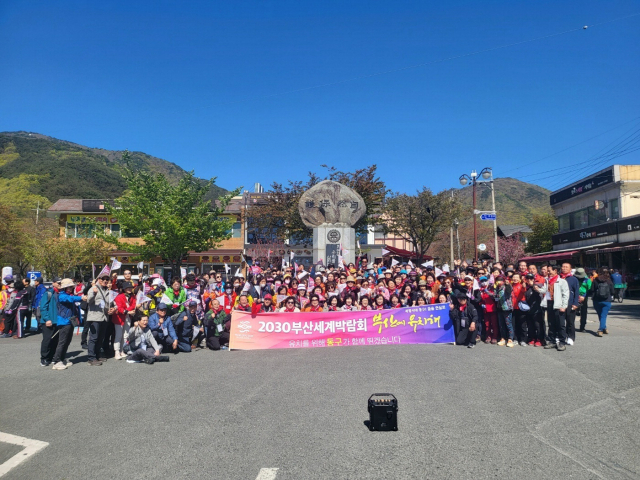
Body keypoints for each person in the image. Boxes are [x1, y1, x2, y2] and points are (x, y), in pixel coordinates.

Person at [51, 279, 86, 370]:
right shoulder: (62, 295)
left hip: (69, 321)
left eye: (71, 287)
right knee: (62, 342)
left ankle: (62, 359)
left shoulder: (68, 295)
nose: (70, 288)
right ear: (64, 288)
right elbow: (70, 299)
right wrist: (81, 297)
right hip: (64, 322)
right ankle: (57, 361)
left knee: (67, 341)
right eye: (68, 287)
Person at [85, 273, 117, 365]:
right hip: (95, 317)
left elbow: (114, 303)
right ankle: (91, 358)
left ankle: (98, 355)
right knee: (93, 338)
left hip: (104, 317)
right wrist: (94, 293)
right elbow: (88, 301)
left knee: (100, 338)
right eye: (103, 279)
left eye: (107, 279)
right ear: (99, 279)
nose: (105, 281)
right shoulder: (93, 288)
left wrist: (114, 309)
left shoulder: (108, 291)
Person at [544, 265, 569, 351]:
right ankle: (552, 341)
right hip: (550, 303)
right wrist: (537, 288)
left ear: (555, 271)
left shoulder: (562, 281)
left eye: (549, 270)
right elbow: (544, 290)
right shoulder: (547, 281)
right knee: (551, 323)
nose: (548, 272)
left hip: (558, 304)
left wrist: (564, 306)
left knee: (560, 324)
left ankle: (562, 342)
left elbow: (565, 295)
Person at [39, 278, 61, 366]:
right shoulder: (48, 293)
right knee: (47, 340)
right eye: (58, 282)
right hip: (48, 321)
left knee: (55, 340)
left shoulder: (61, 293)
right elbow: (43, 307)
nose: (60, 284)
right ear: (53, 283)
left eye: (61, 283)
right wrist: (47, 319)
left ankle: (52, 356)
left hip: (57, 321)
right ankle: (44, 358)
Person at [112, 281, 136, 360]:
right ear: (124, 289)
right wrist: (128, 311)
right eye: (127, 288)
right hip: (119, 318)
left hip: (128, 317)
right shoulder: (119, 296)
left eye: (130, 288)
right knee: (118, 335)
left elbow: (133, 305)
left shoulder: (133, 296)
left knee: (125, 335)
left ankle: (122, 350)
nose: (129, 289)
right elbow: (119, 307)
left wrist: (128, 311)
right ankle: (117, 352)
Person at [560, 262, 580, 346]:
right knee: (561, 322)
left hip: (570, 303)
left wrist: (575, 303)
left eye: (566, 267)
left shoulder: (573, 279)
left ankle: (571, 337)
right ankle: (561, 337)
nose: (564, 268)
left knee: (570, 322)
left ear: (570, 269)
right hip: (560, 303)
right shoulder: (558, 277)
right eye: (563, 267)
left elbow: (576, 292)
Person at [591, 268, 614, 337]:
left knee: (600, 315)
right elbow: (612, 291)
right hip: (607, 300)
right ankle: (601, 329)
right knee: (603, 316)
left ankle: (604, 328)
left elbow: (592, 289)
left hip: (597, 300)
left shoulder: (596, 280)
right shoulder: (609, 281)